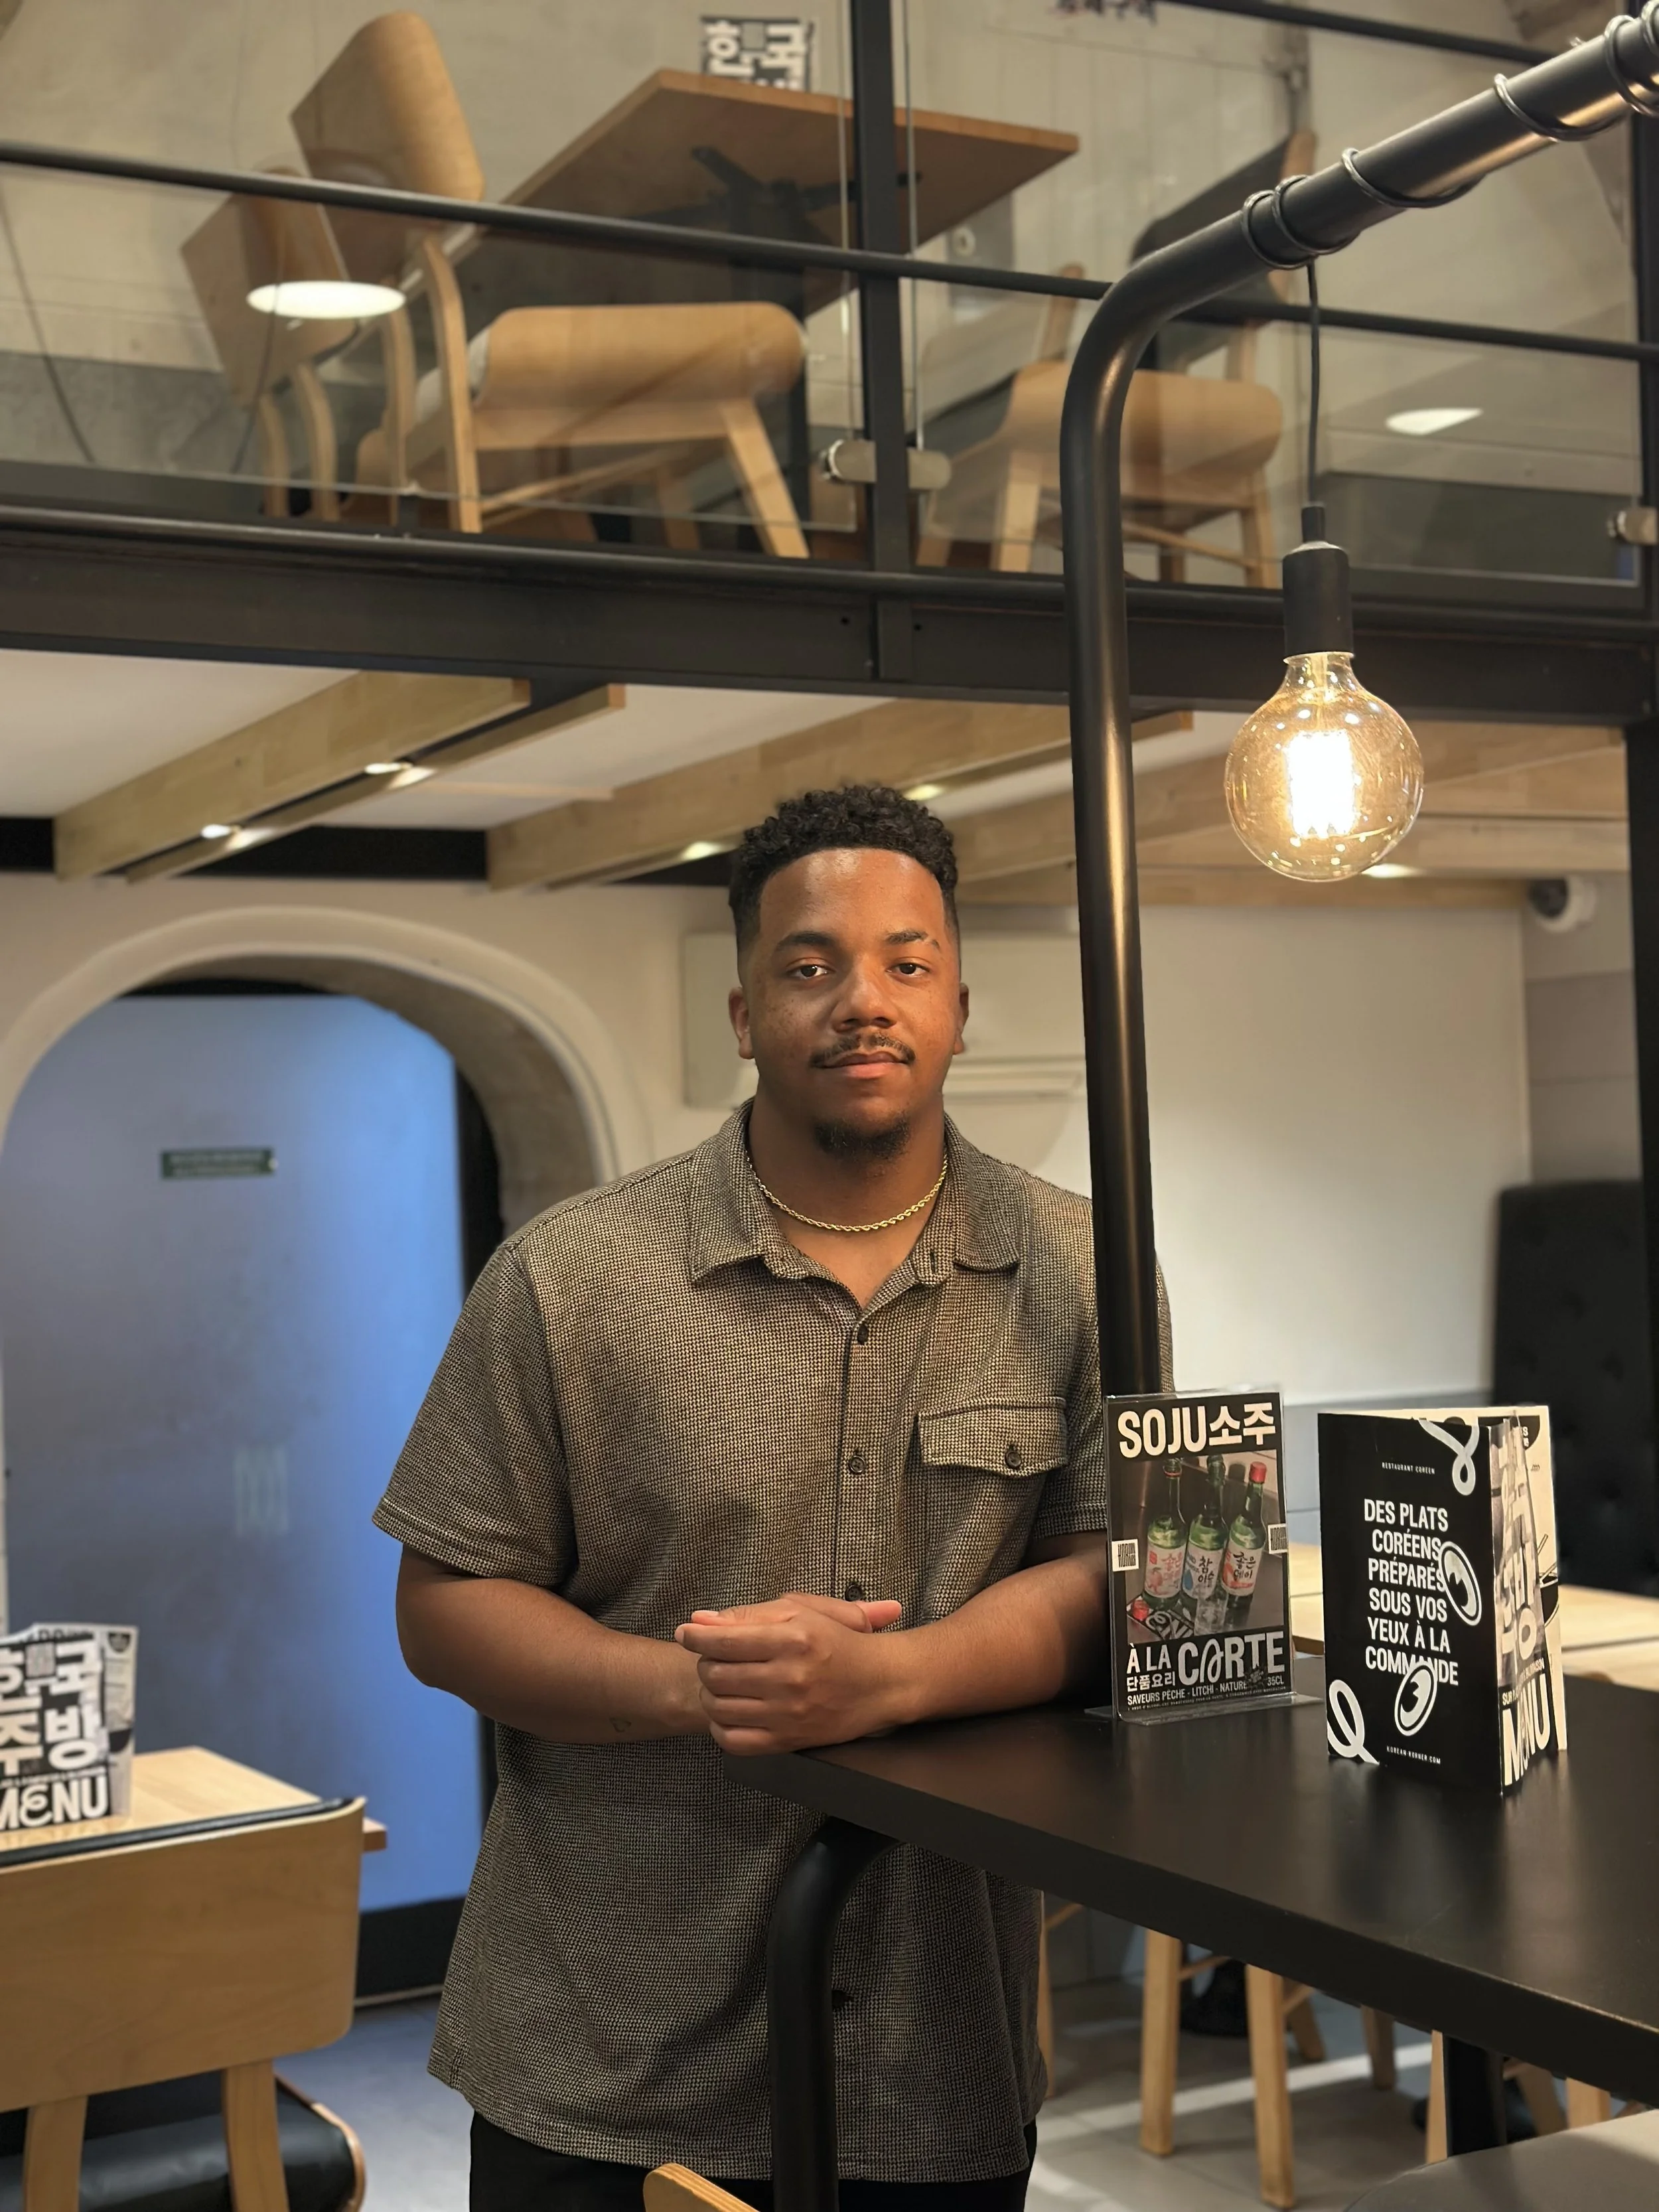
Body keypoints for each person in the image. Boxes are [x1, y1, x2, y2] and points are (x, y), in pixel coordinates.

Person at [376, 782, 1171, 2212]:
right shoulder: (572, 1277)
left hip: (933, 2062)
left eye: (906, 962)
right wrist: (704, 1689)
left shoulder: (1082, 1268)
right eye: (810, 965)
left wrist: (893, 1678)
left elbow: (1117, 1567)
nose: (863, 1000)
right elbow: (445, 1607)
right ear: (745, 1014)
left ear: (959, 1005)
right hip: (606, 2060)